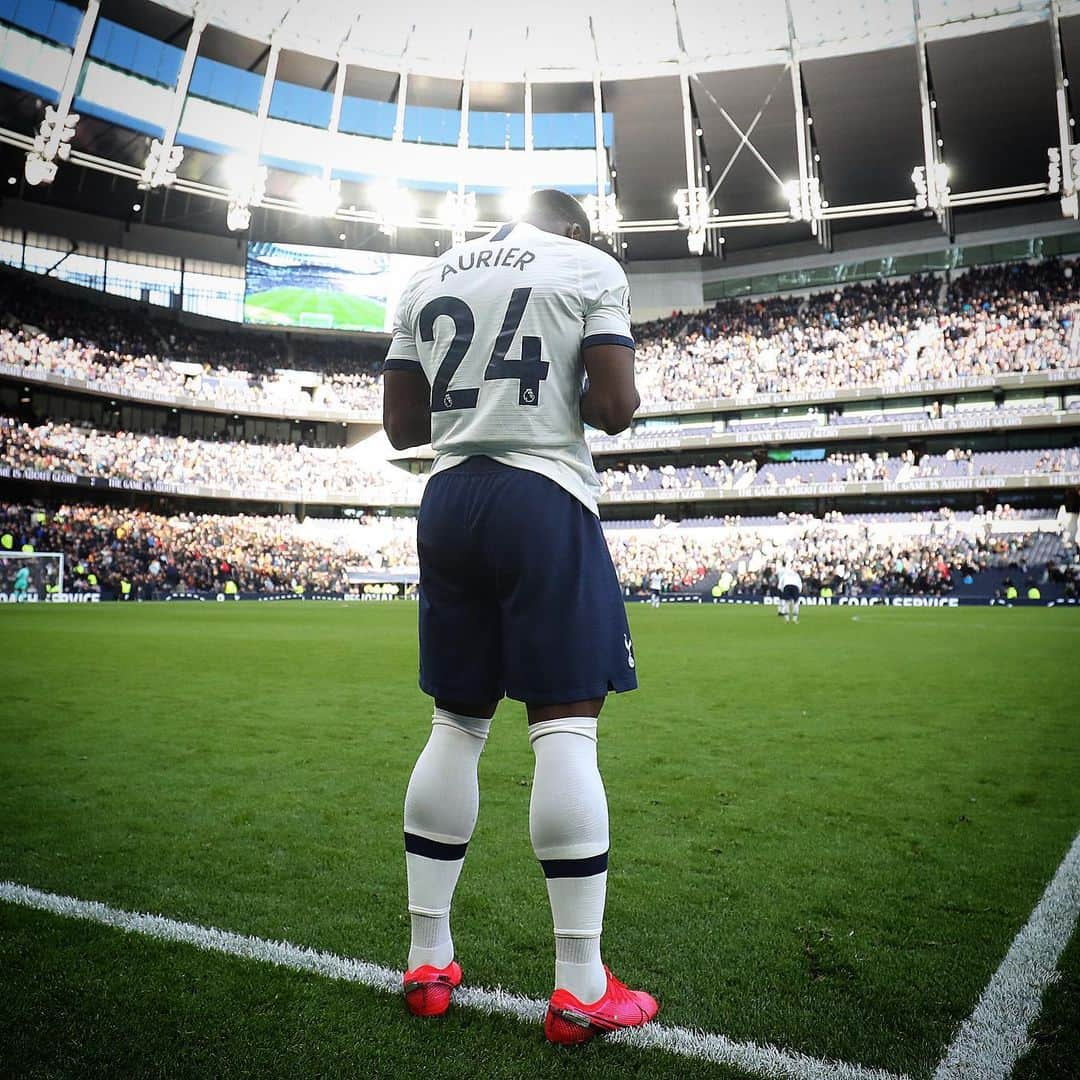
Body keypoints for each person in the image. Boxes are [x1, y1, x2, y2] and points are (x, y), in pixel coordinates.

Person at [382, 189, 658, 1045]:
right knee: (566, 730)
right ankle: (580, 983)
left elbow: (400, 429)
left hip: (448, 497)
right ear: (572, 226)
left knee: (455, 726)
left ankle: (428, 960)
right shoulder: (585, 264)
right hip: (543, 494)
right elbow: (614, 410)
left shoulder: (425, 278)